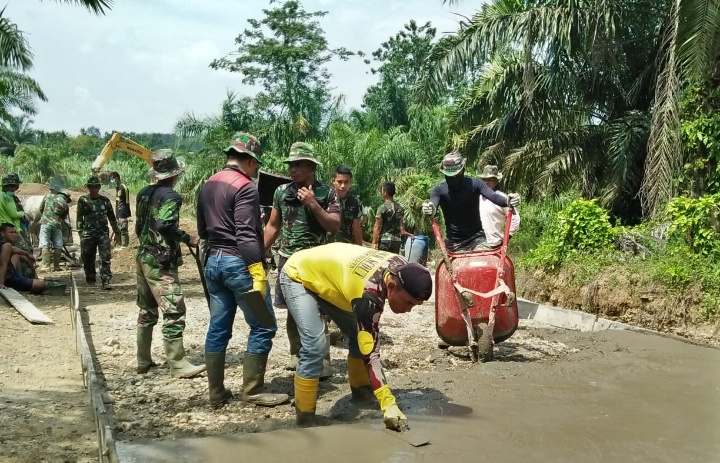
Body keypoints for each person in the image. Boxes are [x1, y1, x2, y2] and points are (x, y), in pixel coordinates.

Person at [279, 243, 433, 429]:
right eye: (408, 302)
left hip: (332, 278)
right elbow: (371, 354)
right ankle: (305, 420)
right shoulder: (368, 295)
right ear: (391, 287)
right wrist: (388, 403)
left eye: (415, 305)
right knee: (316, 346)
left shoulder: (401, 268)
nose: (408, 310)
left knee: (357, 334)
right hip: (299, 274)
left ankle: (362, 393)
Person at [197, 132, 289, 408]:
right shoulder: (245, 187)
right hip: (239, 265)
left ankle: (216, 392)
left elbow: (202, 230)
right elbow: (247, 235)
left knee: (218, 327)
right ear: (249, 160)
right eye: (256, 164)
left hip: (213, 262)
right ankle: (252, 390)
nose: (256, 169)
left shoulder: (207, 184)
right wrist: (257, 271)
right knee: (263, 325)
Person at [264, 142, 341, 374]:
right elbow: (272, 226)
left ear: (311, 167)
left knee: (319, 309)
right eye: (291, 165)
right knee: (292, 309)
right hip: (288, 260)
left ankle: (323, 360)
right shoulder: (281, 192)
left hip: (316, 262)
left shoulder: (327, 192)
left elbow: (334, 226)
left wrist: (313, 204)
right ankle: (297, 354)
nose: (293, 169)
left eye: (298, 165)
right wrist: (258, 253)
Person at [134, 150, 205, 379]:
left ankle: (143, 360)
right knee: (174, 309)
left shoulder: (144, 193)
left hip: (143, 254)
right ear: (175, 174)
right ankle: (177, 363)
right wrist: (187, 238)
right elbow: (164, 225)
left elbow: (139, 227)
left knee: (147, 309)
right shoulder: (171, 197)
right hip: (160, 260)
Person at [422, 152, 521, 252]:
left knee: (485, 264)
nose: (453, 179)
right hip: (454, 244)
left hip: (477, 239)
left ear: (463, 169)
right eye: (449, 176)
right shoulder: (439, 190)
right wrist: (431, 209)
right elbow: (433, 206)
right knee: (455, 268)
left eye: (457, 175)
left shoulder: (475, 184)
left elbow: (494, 197)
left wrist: (508, 201)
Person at [77, 176, 120, 289]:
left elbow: (112, 218)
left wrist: (117, 232)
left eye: (96, 186)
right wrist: (81, 233)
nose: (94, 189)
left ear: (99, 187)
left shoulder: (105, 201)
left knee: (105, 257)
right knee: (88, 258)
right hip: (88, 234)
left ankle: (106, 281)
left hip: (102, 234)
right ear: (88, 187)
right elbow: (79, 218)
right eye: (91, 186)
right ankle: (90, 279)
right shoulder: (83, 200)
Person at [478, 165, 521, 248]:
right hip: (477, 244)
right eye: (484, 179)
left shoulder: (502, 198)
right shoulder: (476, 197)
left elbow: (515, 219)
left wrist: (507, 238)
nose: (486, 182)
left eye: (490, 179)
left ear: (496, 181)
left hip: (494, 244)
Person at [0, 223, 45, 294]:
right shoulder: (6, 245)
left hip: (7, 274)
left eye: (14, 232)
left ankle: (21, 278)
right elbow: (3, 264)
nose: (14, 234)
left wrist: (27, 255)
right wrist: (1, 284)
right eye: (11, 232)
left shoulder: (5, 244)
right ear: (2, 233)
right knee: (41, 285)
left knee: (17, 255)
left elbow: (15, 250)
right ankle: (18, 284)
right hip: (7, 278)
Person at [37, 185, 72, 271]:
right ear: (66, 197)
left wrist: (45, 216)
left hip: (45, 223)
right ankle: (56, 267)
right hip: (57, 225)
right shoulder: (65, 204)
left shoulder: (48, 196)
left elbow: (41, 209)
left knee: (45, 244)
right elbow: (63, 218)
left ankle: (45, 266)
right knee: (58, 245)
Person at [372, 182, 412, 253]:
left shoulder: (382, 208)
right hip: (396, 242)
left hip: (384, 241)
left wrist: (374, 242)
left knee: (384, 263)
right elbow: (402, 230)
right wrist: (411, 235)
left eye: (382, 190)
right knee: (393, 263)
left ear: (385, 192)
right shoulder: (400, 208)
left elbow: (377, 227)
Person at [329, 165, 363, 245]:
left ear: (350, 182)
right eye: (339, 182)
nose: (343, 186)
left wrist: (359, 249)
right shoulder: (326, 198)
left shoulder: (355, 202)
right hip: (328, 245)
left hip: (347, 246)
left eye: (346, 182)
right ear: (333, 181)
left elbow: (357, 229)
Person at [110, 172, 131, 248]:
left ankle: (124, 245)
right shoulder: (117, 187)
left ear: (117, 178)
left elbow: (127, 202)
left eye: (112, 179)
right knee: (118, 228)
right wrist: (116, 213)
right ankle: (120, 244)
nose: (112, 181)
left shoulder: (124, 188)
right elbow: (117, 201)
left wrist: (126, 213)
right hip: (118, 211)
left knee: (123, 229)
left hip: (123, 211)